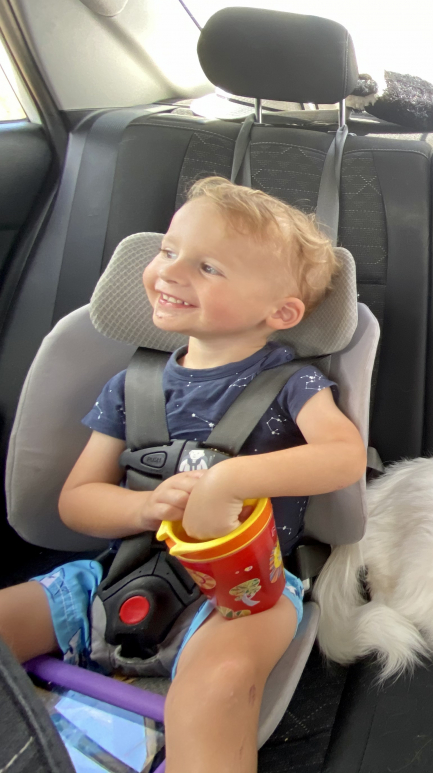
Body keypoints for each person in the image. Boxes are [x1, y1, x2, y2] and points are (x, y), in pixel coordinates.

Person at [0, 177, 368, 773]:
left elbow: (343, 457)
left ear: (281, 312)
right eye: (168, 251)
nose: (170, 272)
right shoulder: (131, 386)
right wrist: (145, 509)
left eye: (208, 267)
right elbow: (78, 501)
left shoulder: (293, 384)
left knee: (218, 684)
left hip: (248, 589)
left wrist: (228, 481)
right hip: (115, 574)